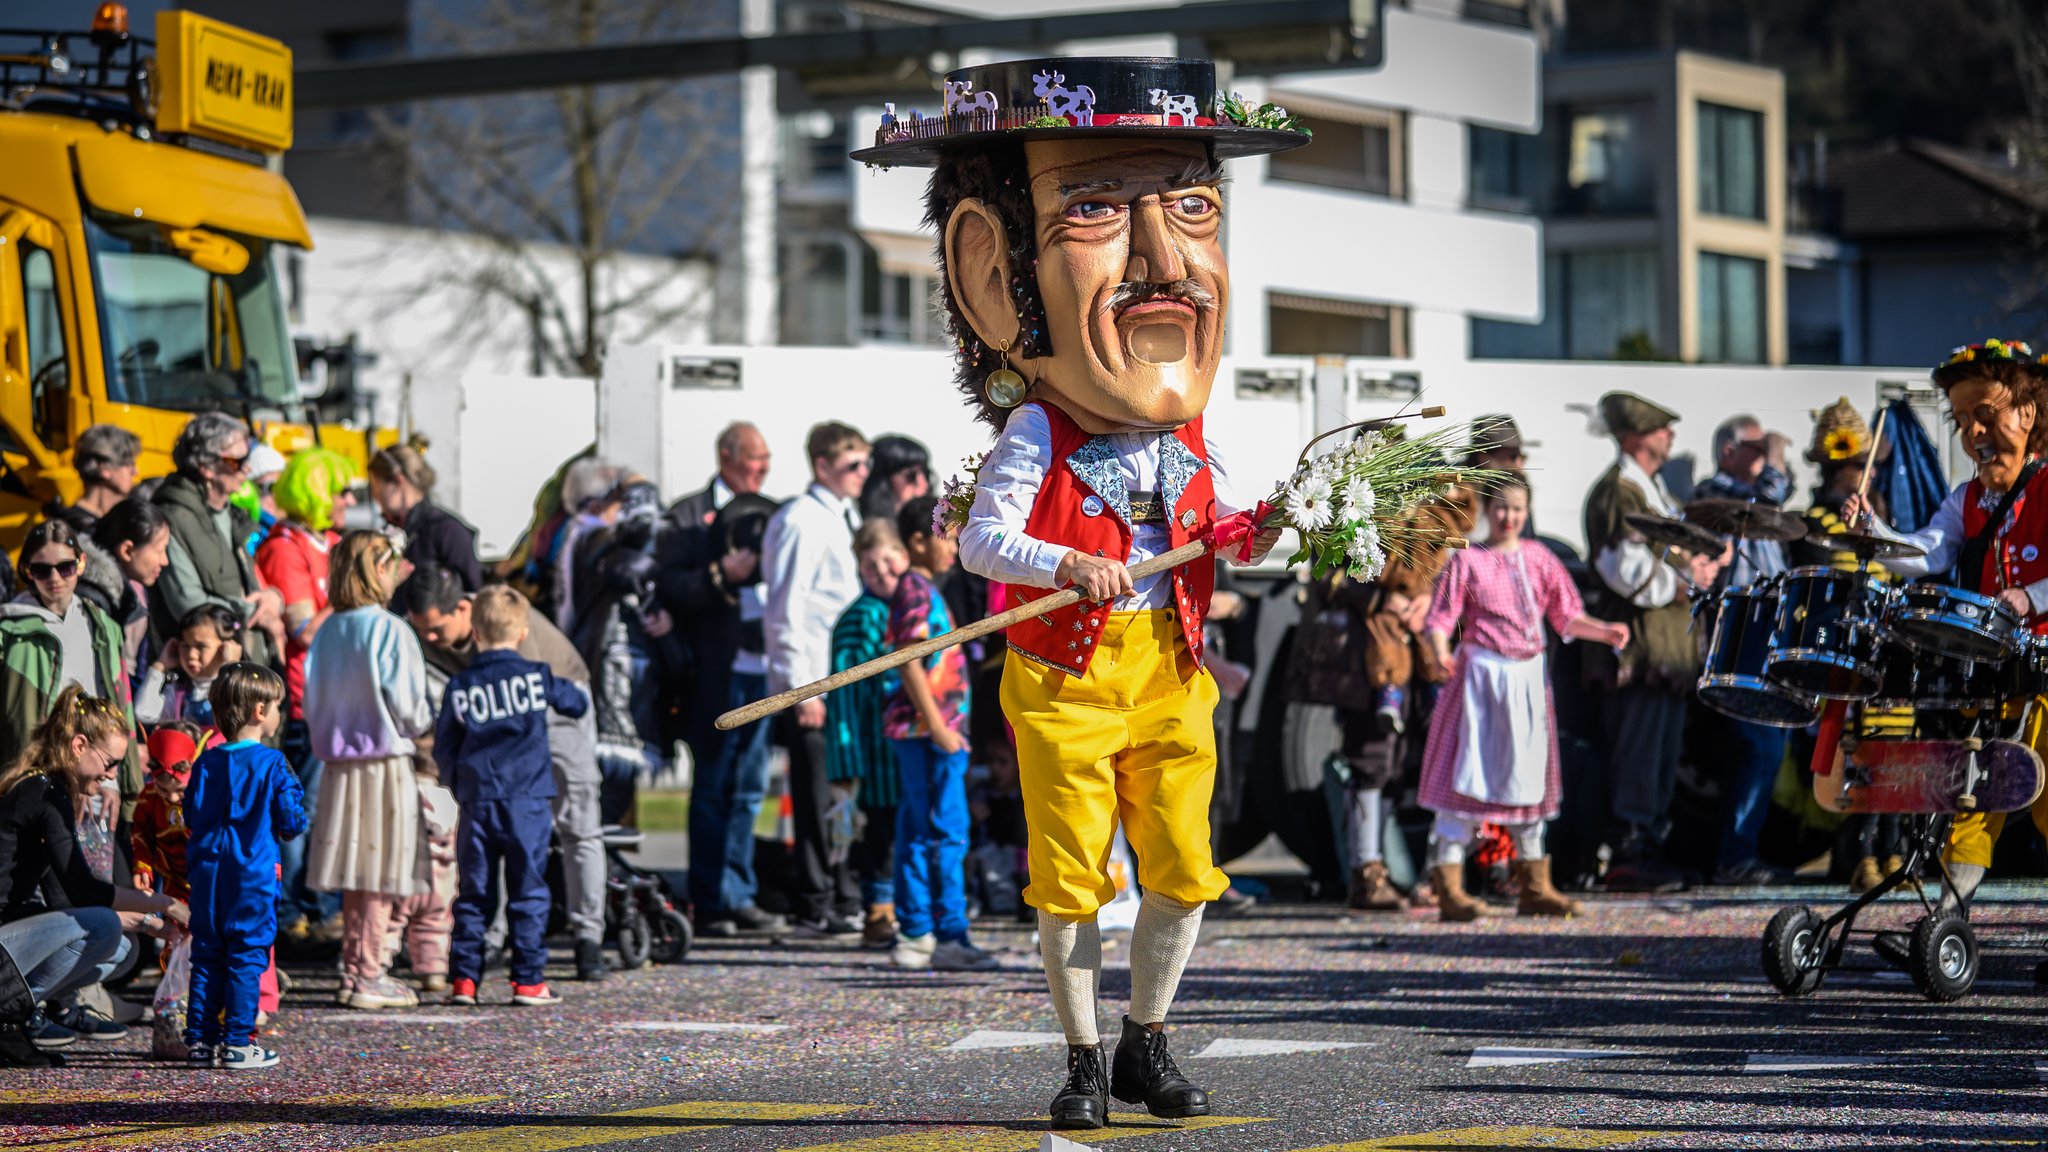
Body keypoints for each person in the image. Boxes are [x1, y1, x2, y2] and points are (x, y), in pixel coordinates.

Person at [862, 58, 1289, 1126]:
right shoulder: (1036, 430)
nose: (1165, 260)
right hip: (1065, 677)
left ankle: (1148, 1038)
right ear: (993, 277)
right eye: (1096, 208)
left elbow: (1216, 527)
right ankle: (1084, 1059)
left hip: (1174, 668)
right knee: (1071, 883)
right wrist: (1068, 565)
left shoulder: (1192, 431)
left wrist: (1276, 527)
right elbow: (982, 548)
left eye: (1192, 205)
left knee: (1185, 871)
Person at [1841, 339, 2048, 955]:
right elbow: (1928, 550)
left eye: (1986, 413)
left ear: (2029, 414)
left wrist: (2030, 597)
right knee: (1976, 798)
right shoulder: (1967, 499)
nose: (1974, 432)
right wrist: (1874, 533)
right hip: (2001, 676)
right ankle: (1942, 931)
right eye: (1962, 421)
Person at [1418, 474, 1629, 921]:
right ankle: (1450, 889)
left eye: (1516, 508)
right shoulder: (1467, 559)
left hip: (1528, 681)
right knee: (1466, 777)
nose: (1508, 516)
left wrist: (1604, 631)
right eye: (1500, 507)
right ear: (1487, 510)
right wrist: (1439, 651)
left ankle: (1534, 886)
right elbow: (1440, 618)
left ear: (1527, 511)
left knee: (1529, 781)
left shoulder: (1539, 558)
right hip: (1481, 680)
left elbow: (1566, 616)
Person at [406, 562, 613, 980]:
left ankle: (588, 936)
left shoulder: (508, 620)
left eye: (436, 630)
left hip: (555, 705)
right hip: (502, 724)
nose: (430, 640)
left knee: (576, 826)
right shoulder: (442, 641)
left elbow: (541, 706)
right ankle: (494, 937)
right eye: (421, 632)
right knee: (492, 831)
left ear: (466, 611)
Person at [1582, 391, 1726, 892]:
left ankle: (1650, 850)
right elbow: (1623, 572)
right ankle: (1629, 854)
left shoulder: (1651, 488)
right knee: (1638, 752)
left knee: (1661, 755)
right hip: (1640, 649)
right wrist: (1688, 578)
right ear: (1637, 436)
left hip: (1666, 649)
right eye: (1661, 430)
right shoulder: (1618, 492)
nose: (1670, 437)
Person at [0, 686, 188, 1053]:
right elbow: (84, 892)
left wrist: (151, 924)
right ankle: (13, 1015)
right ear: (78, 745)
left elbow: (62, 895)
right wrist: (163, 905)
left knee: (115, 943)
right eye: (110, 763)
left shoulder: (50, 789)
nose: (110, 775)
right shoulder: (44, 792)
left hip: (10, 937)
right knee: (103, 926)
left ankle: (33, 1010)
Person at [435, 586, 589, 1009]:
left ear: (476, 633)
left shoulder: (461, 684)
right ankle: (528, 980)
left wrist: (457, 782)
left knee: (474, 894)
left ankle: (464, 979)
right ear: (522, 633)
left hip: (478, 801)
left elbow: (444, 745)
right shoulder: (536, 676)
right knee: (529, 891)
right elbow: (576, 703)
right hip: (528, 801)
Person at [303, 530, 436, 1010]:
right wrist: (421, 724)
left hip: (339, 765)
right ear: (377, 570)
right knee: (380, 872)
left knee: (357, 873)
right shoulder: (389, 629)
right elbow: (409, 704)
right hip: (383, 761)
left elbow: (311, 699)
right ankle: (369, 973)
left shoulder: (329, 630)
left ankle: (354, 968)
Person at [661, 425, 784, 938]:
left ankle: (739, 891)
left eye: (766, 461)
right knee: (712, 784)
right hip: (713, 671)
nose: (761, 470)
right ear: (726, 457)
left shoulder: (773, 512)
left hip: (762, 669)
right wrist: (721, 575)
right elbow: (668, 586)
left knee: (751, 786)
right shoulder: (686, 514)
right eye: (754, 460)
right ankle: (709, 899)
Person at [762, 421, 872, 939]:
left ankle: (840, 891)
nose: (863, 473)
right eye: (853, 464)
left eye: (865, 463)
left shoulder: (846, 516)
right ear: (823, 465)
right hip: (816, 684)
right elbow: (786, 608)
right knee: (813, 795)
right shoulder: (800, 520)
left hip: (847, 683)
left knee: (842, 795)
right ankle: (813, 898)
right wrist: (801, 687)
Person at [883, 496, 996, 972]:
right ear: (916, 541)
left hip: (927, 733)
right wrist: (938, 727)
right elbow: (907, 660)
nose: (952, 545)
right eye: (943, 533)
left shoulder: (924, 588)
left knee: (918, 829)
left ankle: (917, 930)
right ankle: (946, 932)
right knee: (945, 831)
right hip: (929, 734)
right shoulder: (913, 590)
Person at [1793, 400, 1901, 891]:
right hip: (1845, 651)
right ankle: (1859, 855)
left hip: (1886, 650)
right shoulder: (1814, 520)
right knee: (1860, 752)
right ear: (1841, 468)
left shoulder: (1885, 517)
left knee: (1897, 744)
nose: (1872, 472)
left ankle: (1895, 849)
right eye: (1864, 465)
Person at [254, 446, 360, 941]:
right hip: (305, 700)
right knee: (303, 810)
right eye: (341, 490)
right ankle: (296, 908)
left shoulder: (331, 542)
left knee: (330, 810)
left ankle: (318, 904)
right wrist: (353, 592)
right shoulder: (284, 547)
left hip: (342, 698)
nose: (349, 499)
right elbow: (304, 630)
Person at [181, 662, 307, 1070]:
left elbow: (190, 815)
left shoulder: (205, 762)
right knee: (246, 956)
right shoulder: (272, 764)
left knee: (207, 955)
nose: (278, 714)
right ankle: (237, 1041)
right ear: (258, 711)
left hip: (206, 873)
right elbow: (291, 821)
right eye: (275, 707)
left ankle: (199, 1041)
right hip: (251, 874)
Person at [1691, 414, 1797, 887]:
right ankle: (1734, 855)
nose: (1762, 455)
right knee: (1757, 743)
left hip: (1769, 630)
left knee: (1772, 743)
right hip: (1738, 633)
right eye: (1752, 447)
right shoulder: (1715, 493)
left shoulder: (1752, 497)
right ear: (1728, 452)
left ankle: (1745, 850)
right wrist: (1773, 456)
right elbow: (1773, 494)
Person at [2, 520, 143, 805]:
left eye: (65, 567)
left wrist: (119, 783)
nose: (54, 578)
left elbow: (119, 706)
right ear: (28, 570)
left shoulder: (103, 626)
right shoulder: (8, 631)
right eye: (41, 570)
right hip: (27, 781)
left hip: (96, 781)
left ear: (81, 564)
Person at [826, 519, 911, 948]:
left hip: (912, 743)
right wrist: (844, 761)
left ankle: (906, 911)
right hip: (875, 749)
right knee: (879, 834)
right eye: (870, 563)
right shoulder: (858, 620)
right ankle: (877, 912)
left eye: (888, 558)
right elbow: (840, 696)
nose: (882, 569)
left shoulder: (913, 606)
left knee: (908, 830)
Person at [149, 413, 285, 669]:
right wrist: (254, 613)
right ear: (207, 467)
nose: (248, 468)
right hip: (203, 676)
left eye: (249, 458)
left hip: (246, 664)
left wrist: (274, 599)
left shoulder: (231, 513)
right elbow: (187, 603)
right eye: (238, 461)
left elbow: (252, 584)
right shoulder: (172, 516)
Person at [369, 444, 482, 611]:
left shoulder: (446, 530)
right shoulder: (388, 533)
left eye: (376, 485)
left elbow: (474, 593)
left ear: (398, 481)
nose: (375, 495)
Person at [83, 498, 172, 687]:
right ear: (127, 550)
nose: (165, 561)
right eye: (159, 550)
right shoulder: (92, 599)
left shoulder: (133, 590)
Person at [135, 604, 243, 728]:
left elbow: (237, 716)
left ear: (226, 647)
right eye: (185, 646)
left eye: (201, 646)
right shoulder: (178, 692)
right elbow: (143, 712)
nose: (191, 654)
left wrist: (232, 666)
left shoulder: (235, 689)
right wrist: (160, 665)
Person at [131, 725, 203, 902]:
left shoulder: (209, 796)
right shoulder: (148, 798)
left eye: (180, 790)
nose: (171, 797)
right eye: (162, 789)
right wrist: (143, 865)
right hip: (173, 884)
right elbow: (141, 834)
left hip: (210, 882)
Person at [47, 424, 142, 537]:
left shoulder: (127, 518)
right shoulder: (71, 530)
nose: (136, 472)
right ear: (104, 468)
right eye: (129, 464)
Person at [860, 435, 934, 524]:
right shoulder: (857, 521)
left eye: (926, 473)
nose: (923, 483)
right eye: (911, 476)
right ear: (884, 481)